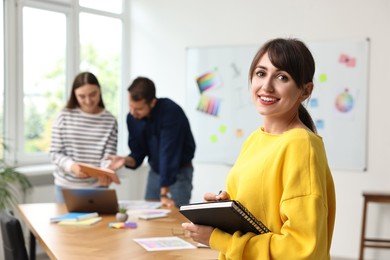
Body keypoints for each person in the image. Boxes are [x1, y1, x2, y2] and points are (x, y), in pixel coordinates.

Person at [182, 38, 336, 259]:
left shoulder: (301, 145)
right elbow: (260, 214)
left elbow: (302, 247)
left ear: (305, 91)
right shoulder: (256, 138)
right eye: (261, 73)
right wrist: (224, 209)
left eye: (282, 77)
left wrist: (218, 239)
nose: (266, 86)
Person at [108, 77, 196, 208]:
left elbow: (169, 153)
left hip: (179, 172)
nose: (133, 112)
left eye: (138, 109)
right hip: (155, 172)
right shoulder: (132, 118)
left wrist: (164, 194)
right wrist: (126, 160)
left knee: (176, 216)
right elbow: (138, 153)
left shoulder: (171, 112)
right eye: (130, 106)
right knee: (149, 214)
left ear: (152, 102)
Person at [50, 72, 118, 203]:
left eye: (93, 94)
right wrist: (72, 167)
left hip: (98, 187)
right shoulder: (64, 116)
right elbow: (54, 153)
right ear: (74, 95)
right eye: (82, 96)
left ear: (100, 91)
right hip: (65, 187)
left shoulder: (110, 120)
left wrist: (106, 171)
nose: (88, 101)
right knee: (66, 224)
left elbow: (108, 156)